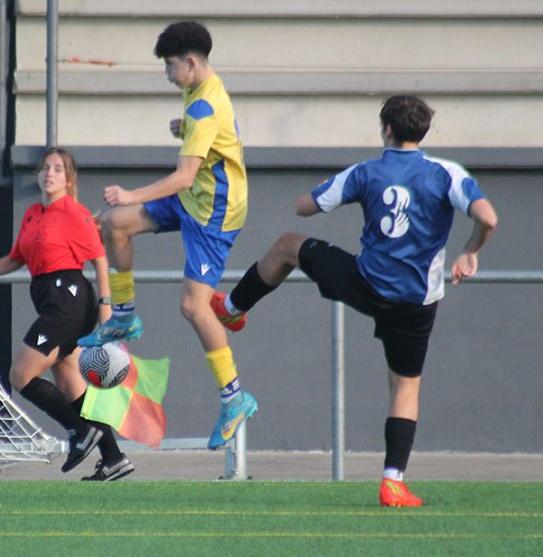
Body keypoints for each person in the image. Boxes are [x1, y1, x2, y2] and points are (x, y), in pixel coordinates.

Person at [212, 95, 498, 507]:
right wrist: (470, 251)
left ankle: (233, 309)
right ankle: (393, 481)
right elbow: (488, 218)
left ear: (385, 129)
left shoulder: (366, 172)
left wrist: (344, 191)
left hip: (365, 283)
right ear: (424, 131)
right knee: (404, 386)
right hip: (416, 301)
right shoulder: (446, 174)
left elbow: (305, 207)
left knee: (288, 245)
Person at [78, 21, 257, 450]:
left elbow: (183, 176)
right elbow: (214, 138)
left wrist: (132, 193)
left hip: (215, 212)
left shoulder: (203, 106)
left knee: (194, 307)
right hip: (195, 197)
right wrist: (187, 131)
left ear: (191, 63)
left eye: (171, 67)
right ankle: (124, 315)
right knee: (114, 222)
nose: (168, 75)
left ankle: (234, 397)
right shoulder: (199, 93)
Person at [0, 147, 134, 481]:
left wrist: (107, 309)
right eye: (45, 168)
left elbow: (99, 258)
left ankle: (79, 431)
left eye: (58, 169)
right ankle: (113, 457)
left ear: (69, 180)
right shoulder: (32, 214)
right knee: (69, 382)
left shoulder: (74, 213)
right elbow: (16, 258)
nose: (49, 173)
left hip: (68, 300)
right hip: (51, 300)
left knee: (20, 375)